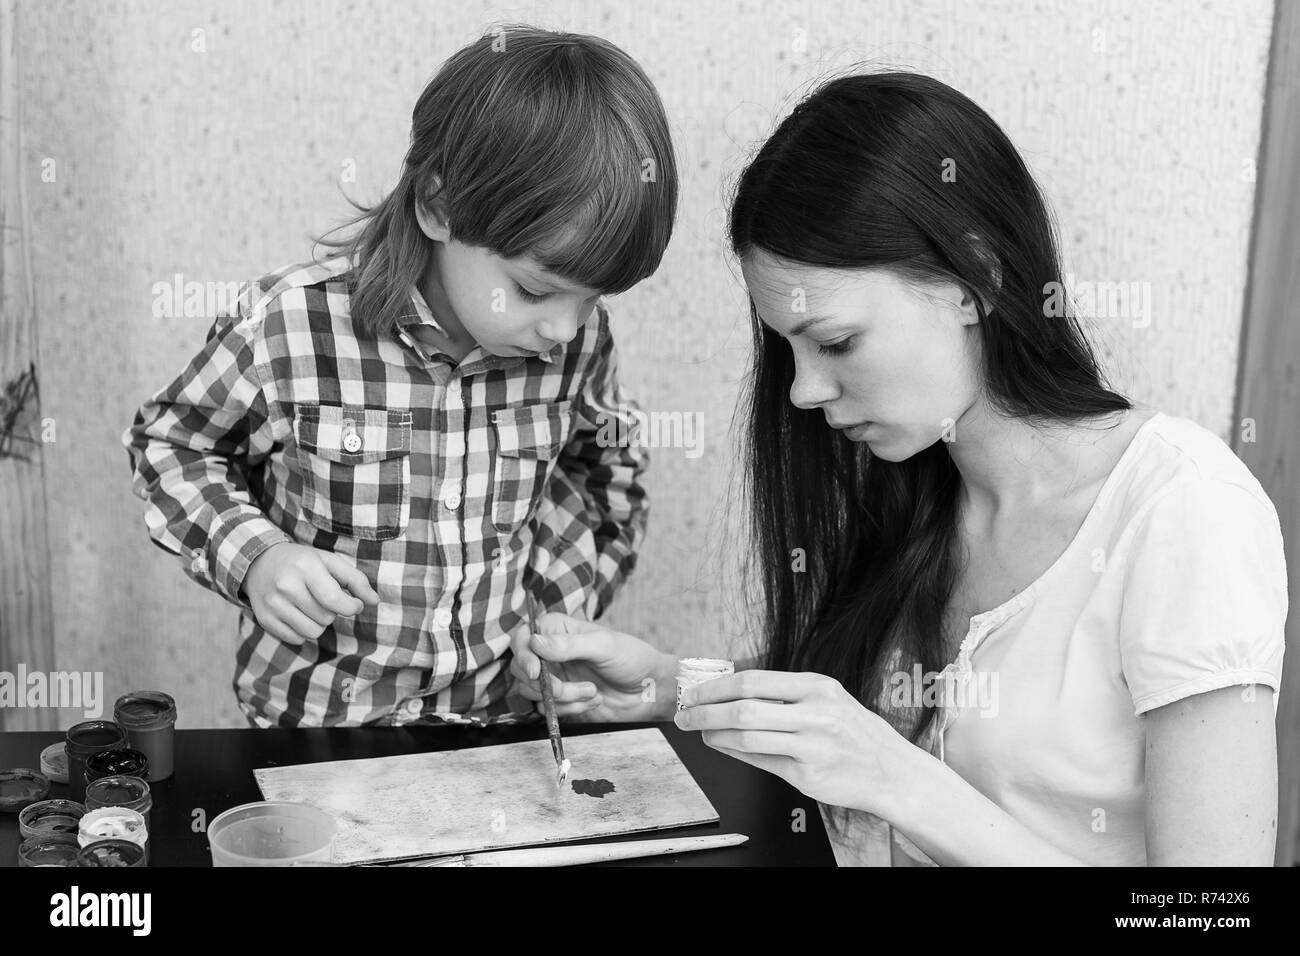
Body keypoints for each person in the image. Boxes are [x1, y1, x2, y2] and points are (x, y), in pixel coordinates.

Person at [530, 72, 1286, 866]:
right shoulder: (920, 479)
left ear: (975, 281)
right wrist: (673, 687)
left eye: (838, 342)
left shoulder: (1187, 513)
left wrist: (901, 782)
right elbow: (872, 702)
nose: (804, 390)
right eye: (786, 347)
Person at [122, 26, 677, 728]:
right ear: (439, 206)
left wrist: (557, 616)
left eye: (592, 299)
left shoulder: (575, 341)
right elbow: (170, 447)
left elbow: (605, 479)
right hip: (314, 737)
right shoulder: (290, 324)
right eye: (536, 292)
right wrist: (256, 558)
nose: (566, 329)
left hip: (495, 732)